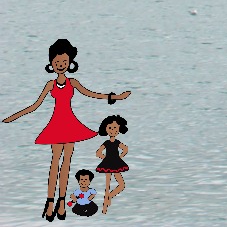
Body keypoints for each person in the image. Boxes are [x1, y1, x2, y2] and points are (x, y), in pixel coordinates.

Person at [3, 41, 131, 223]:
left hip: (70, 125)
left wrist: (114, 97)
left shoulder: (73, 82)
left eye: (64, 61)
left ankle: (61, 202)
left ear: (70, 62)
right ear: (51, 63)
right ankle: (49, 202)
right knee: (55, 164)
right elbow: (35, 105)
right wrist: (14, 116)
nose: (61, 64)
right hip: (56, 124)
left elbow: (91, 94)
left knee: (66, 166)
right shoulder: (50, 84)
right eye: (57, 61)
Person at [93, 116, 130, 213]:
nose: (112, 130)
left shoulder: (117, 142)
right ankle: (105, 206)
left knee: (120, 185)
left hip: (113, 162)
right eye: (110, 128)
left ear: (119, 129)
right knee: (108, 185)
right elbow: (98, 153)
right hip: (110, 163)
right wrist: (107, 159)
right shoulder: (107, 142)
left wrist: (119, 158)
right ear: (105, 129)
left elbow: (125, 149)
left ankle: (108, 197)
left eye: (115, 128)